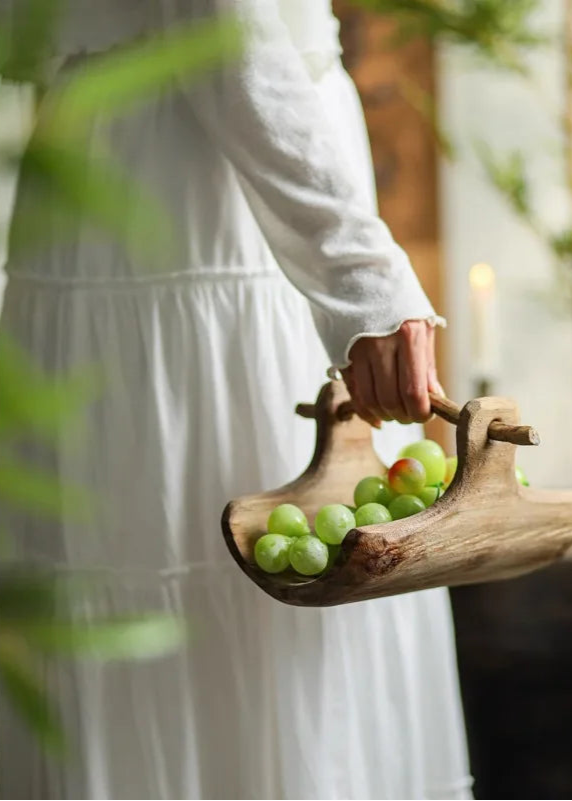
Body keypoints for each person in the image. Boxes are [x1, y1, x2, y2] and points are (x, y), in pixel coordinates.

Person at [0, 1, 473, 799]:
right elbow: (220, 22)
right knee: (221, 583)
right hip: (190, 188)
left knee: (284, 577)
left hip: (219, 154)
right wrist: (364, 279)